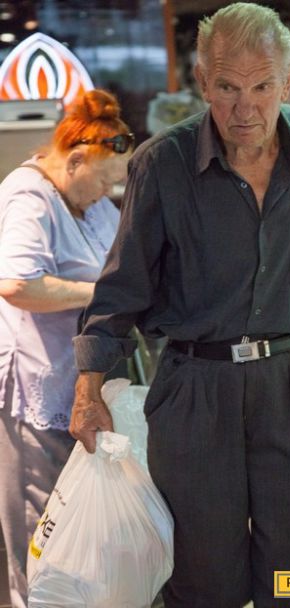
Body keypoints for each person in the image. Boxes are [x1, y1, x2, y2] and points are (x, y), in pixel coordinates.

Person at [70, 4, 290, 607]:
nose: (244, 109)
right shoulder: (162, 164)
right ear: (203, 81)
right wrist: (88, 388)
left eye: (262, 88)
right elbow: (121, 287)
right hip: (196, 387)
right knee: (203, 584)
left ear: (289, 79)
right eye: (227, 87)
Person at [0, 88, 134, 608]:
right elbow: (16, 282)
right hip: (36, 388)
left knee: (78, 527)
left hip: (79, 380)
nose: (105, 193)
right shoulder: (29, 196)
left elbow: (122, 258)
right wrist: (99, 293)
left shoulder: (89, 203)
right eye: (102, 180)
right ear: (76, 159)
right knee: (42, 525)